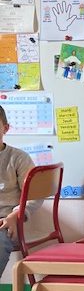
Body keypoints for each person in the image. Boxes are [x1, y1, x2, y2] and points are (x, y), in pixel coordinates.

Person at [0, 105, 41, 278]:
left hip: (6, 222)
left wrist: (15, 216)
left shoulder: (18, 158)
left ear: (5, 128)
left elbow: (34, 195)